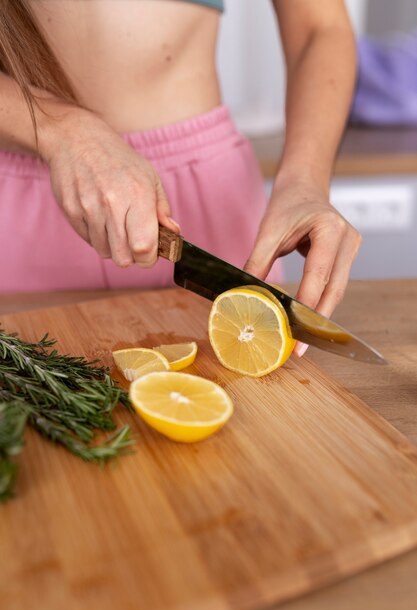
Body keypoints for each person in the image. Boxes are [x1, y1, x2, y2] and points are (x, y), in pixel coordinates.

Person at [0, 0, 360, 357]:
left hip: (208, 202)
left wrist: (304, 181)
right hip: (14, 211)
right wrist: (59, 127)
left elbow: (321, 27)